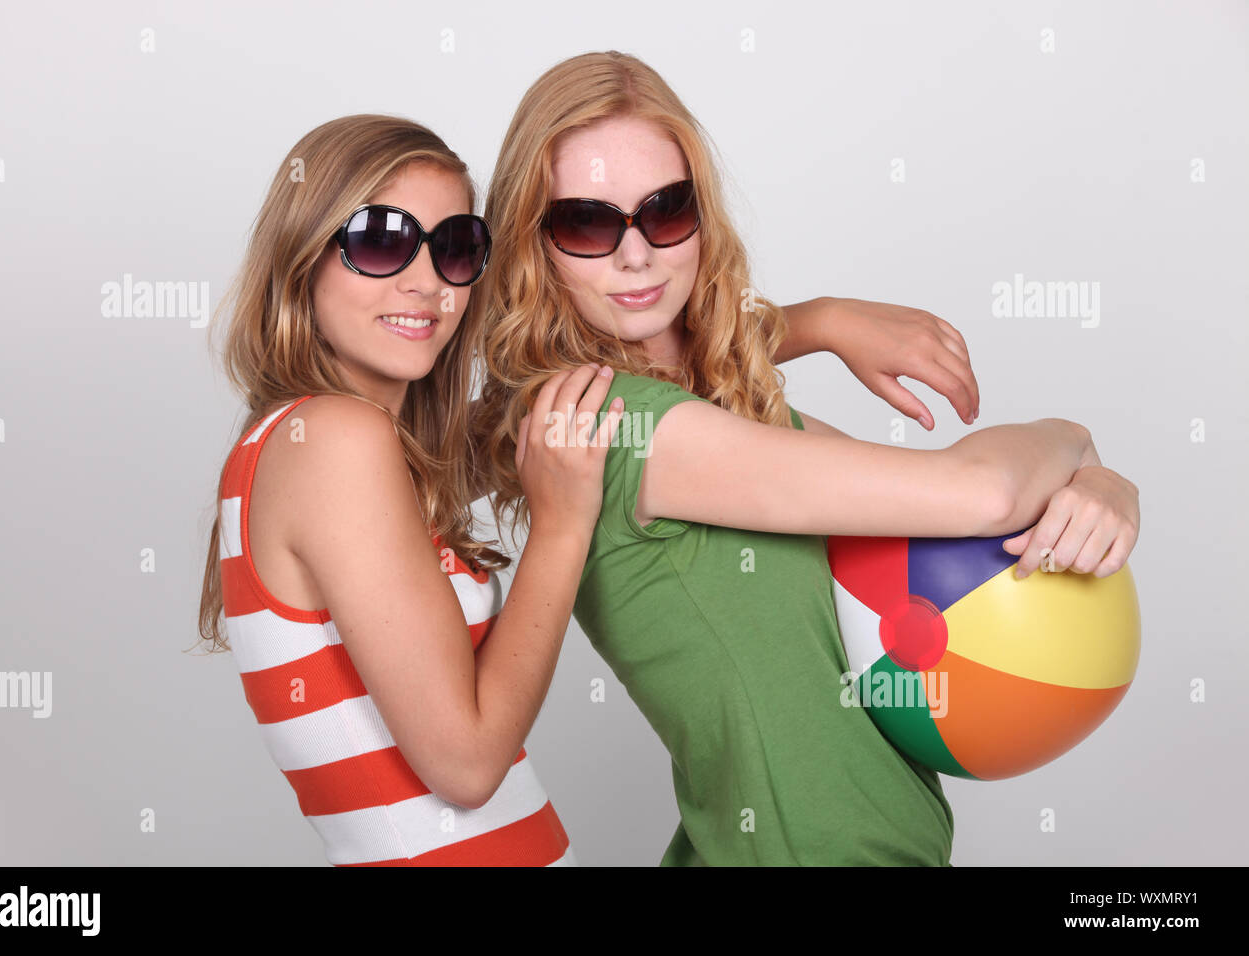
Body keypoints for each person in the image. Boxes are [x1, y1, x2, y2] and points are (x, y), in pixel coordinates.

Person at [472, 51, 1141, 865]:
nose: (636, 253)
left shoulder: (719, 411)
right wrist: (1077, 439)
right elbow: (984, 493)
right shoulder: (617, 428)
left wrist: (817, 321)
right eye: (587, 222)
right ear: (533, 245)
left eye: (667, 209)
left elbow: (924, 529)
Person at [192, 114, 624, 866]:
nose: (427, 282)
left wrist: (817, 324)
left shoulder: (325, 445)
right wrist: (560, 530)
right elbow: (466, 763)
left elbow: (606, 372)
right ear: (304, 255)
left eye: (455, 247)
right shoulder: (333, 442)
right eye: (382, 239)